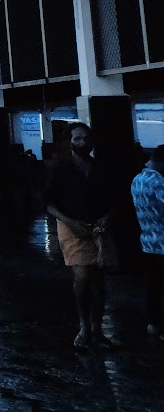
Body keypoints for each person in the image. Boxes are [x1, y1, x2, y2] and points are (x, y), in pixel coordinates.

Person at [45, 122, 124, 351]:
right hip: (71, 228)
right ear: (68, 141)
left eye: (86, 138)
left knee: (98, 281)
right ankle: (83, 327)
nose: (83, 143)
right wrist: (70, 222)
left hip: (98, 229)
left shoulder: (100, 168)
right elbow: (48, 203)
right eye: (78, 138)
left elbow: (114, 201)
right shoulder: (59, 169)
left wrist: (107, 218)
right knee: (82, 276)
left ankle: (96, 330)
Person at [131, 144, 164, 338]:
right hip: (162, 244)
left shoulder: (138, 179)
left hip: (147, 242)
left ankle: (153, 323)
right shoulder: (158, 181)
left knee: (152, 285)